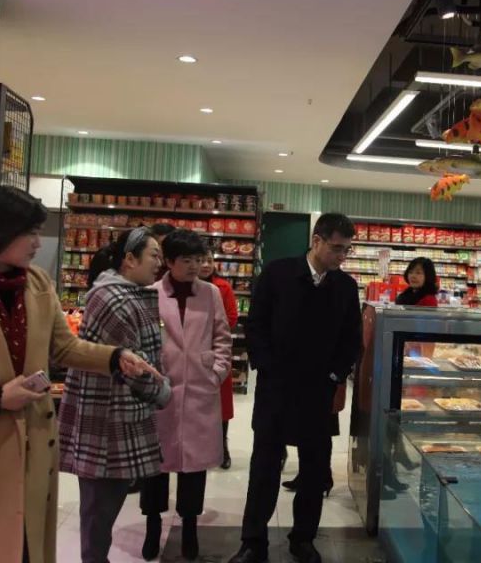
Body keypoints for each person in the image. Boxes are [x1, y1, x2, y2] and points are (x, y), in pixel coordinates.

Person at [0, 187, 156, 563]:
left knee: (26, 545)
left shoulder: (37, 284)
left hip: (33, 439)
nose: (38, 243)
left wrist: (116, 357)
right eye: (31, 233)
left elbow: (64, 348)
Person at [228, 213, 362, 563]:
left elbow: (351, 339)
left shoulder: (345, 287)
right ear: (316, 240)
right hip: (276, 389)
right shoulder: (278, 274)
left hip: (318, 393)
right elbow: (256, 326)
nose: (341, 256)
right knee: (265, 468)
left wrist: (334, 376)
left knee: (314, 471)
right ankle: (253, 541)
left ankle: (303, 538)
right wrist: (267, 367)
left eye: (346, 250)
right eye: (337, 248)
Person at [58, 227, 172, 563]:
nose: (160, 264)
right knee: (99, 511)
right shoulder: (114, 300)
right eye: (154, 256)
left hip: (114, 416)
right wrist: (163, 392)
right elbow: (133, 366)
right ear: (129, 259)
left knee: (102, 510)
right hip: (106, 421)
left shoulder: (124, 293)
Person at [141, 230, 232, 561]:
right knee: (155, 465)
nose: (196, 266)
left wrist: (216, 371)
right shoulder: (150, 294)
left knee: (193, 467)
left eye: (199, 259)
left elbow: (222, 336)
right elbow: (141, 339)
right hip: (161, 389)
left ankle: (190, 527)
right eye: (187, 260)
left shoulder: (210, 293)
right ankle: (153, 525)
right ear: (169, 262)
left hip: (199, 388)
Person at [200, 248, 239, 470]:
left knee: (222, 403)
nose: (206, 265)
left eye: (209, 260)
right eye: (201, 260)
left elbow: (232, 317)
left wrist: (208, 331)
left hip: (217, 350)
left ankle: (222, 446)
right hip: (192, 352)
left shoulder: (223, 287)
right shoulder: (187, 287)